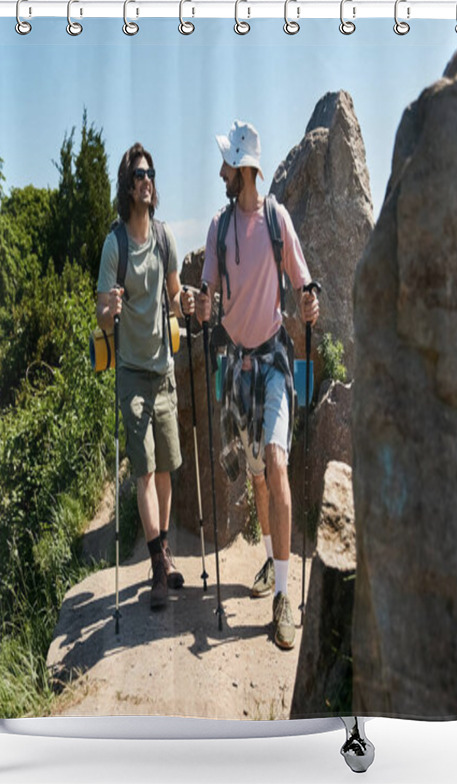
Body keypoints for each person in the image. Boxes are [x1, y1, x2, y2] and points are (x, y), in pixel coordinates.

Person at [195, 121, 319, 650]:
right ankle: (272, 557)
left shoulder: (276, 220)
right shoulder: (219, 228)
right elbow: (205, 296)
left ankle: (284, 599)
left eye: (226, 162)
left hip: (273, 364)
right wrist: (195, 305)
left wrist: (312, 300)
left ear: (241, 168)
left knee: (275, 458)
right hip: (237, 370)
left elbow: (304, 283)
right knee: (259, 479)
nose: (220, 170)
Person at [96, 142, 195, 611]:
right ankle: (158, 566)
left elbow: (175, 299)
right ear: (127, 186)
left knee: (168, 468)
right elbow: (101, 312)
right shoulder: (114, 243)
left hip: (164, 370)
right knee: (145, 469)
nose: (147, 180)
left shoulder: (165, 237)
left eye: (151, 173)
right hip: (132, 373)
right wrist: (107, 309)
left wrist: (189, 303)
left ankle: (164, 553)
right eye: (139, 175)